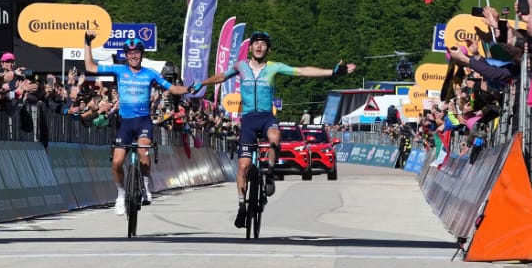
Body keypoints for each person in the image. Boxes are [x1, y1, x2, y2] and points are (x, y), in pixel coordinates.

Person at [190, 31, 354, 228]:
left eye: (263, 44)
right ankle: (242, 206)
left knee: (275, 137)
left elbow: (302, 71)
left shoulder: (274, 67)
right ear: (250, 48)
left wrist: (333, 72)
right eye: (256, 44)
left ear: (268, 49)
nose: (259, 47)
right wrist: (202, 83)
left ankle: (269, 173)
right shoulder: (241, 66)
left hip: (267, 117)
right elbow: (221, 77)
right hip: (249, 119)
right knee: (242, 167)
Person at [79, 32, 189, 215]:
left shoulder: (150, 74)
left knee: (143, 149)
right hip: (126, 123)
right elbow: (90, 67)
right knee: (116, 162)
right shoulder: (119, 70)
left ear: (141, 54)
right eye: (129, 53)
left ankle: (145, 187)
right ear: (125, 56)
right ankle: (121, 194)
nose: (133, 56)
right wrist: (87, 43)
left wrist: (190, 89)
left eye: (136, 52)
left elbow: (173, 88)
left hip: (144, 121)